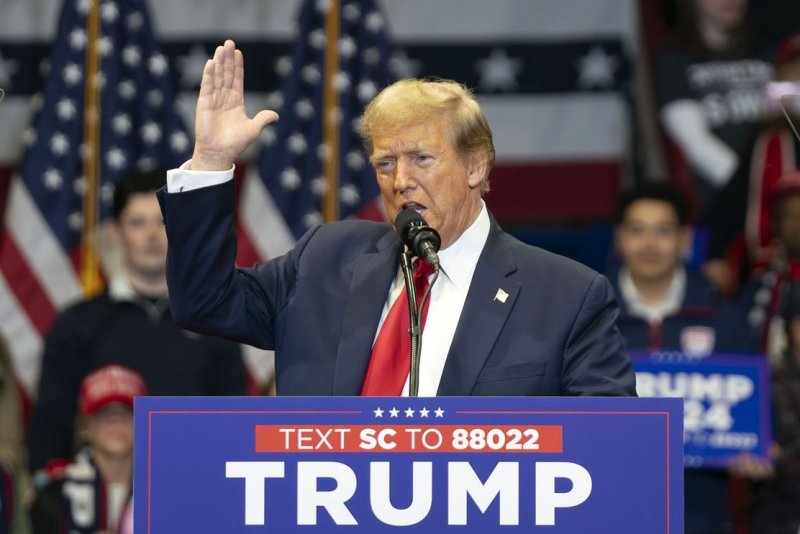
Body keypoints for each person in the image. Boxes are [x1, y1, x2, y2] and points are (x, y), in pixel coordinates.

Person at [158, 40, 635, 397]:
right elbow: (204, 301)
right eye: (385, 164)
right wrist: (212, 160)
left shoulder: (565, 297)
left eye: (422, 159)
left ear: (476, 166)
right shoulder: (326, 258)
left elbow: (612, 449)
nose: (400, 180)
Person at [28, 171, 246, 477]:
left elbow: (235, 422)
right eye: (137, 223)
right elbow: (52, 421)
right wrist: (44, 489)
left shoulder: (215, 322)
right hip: (103, 502)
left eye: (162, 222)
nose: (152, 235)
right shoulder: (77, 323)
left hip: (196, 486)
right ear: (116, 232)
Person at [610, 182, 755, 534]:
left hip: (705, 509)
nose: (649, 244)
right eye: (637, 230)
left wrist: (758, 445)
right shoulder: (589, 316)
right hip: (610, 503)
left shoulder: (725, 314)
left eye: (663, 231)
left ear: (685, 239)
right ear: (619, 239)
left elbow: (754, 408)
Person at [655, 0, 772, 214]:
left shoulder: (767, 51)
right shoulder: (674, 58)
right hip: (724, 202)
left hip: (780, 190)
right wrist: (757, 189)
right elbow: (696, 143)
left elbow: (791, 118)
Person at [704, 33, 800, 291]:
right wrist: (714, 258)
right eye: (796, 71)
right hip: (776, 281)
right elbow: (725, 213)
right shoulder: (765, 145)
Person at [30, 365, 144, 534]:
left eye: (127, 411)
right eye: (104, 413)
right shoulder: (52, 498)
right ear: (85, 425)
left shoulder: (165, 497)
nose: (116, 421)